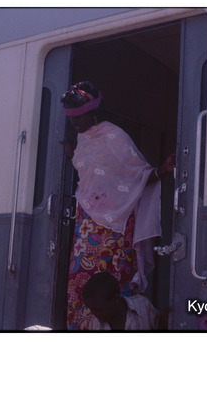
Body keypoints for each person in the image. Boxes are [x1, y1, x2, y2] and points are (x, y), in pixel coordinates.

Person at [60, 81, 175, 330]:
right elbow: (91, 174)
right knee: (81, 281)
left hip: (116, 226)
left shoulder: (114, 136)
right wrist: (71, 156)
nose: (75, 123)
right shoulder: (81, 139)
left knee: (114, 281)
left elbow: (136, 174)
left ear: (93, 112)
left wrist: (162, 170)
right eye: (71, 118)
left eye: (79, 117)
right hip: (87, 223)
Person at [82, 272, 159, 330]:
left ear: (115, 299)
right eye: (91, 309)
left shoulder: (143, 306)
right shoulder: (95, 324)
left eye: (99, 309)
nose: (95, 314)